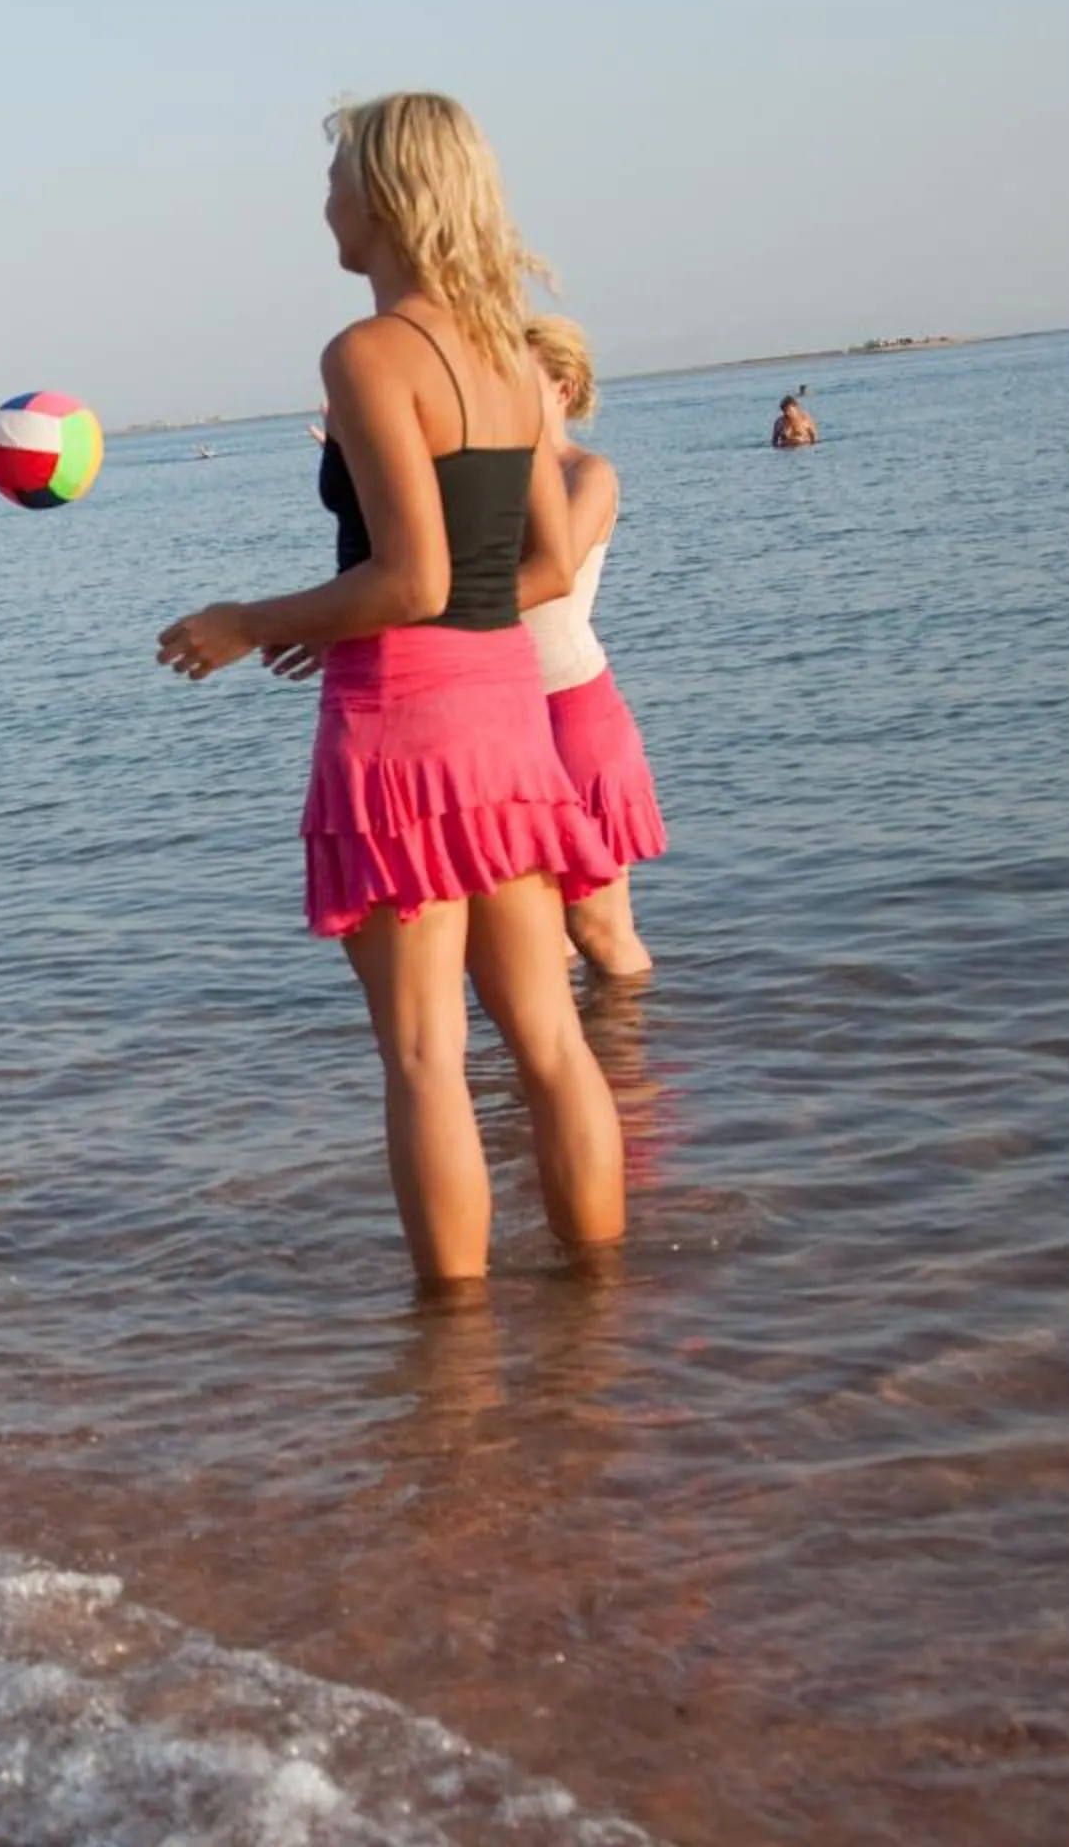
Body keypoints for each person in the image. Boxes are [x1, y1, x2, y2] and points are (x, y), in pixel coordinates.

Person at [154, 92, 625, 1285]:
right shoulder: (514, 357)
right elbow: (546, 566)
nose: (326, 200)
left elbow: (408, 575)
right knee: (552, 1038)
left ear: (391, 196)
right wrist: (351, 620)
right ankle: (600, 1319)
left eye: (340, 177)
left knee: (424, 1053)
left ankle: (454, 1357)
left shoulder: (368, 355)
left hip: (402, 731)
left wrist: (248, 624)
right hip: (509, 718)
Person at [522, 314, 666, 976]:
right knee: (532, 948)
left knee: (601, 934)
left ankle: (633, 1071)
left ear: (564, 386)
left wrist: (416, 607)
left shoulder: (589, 473)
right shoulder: (475, 482)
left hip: (573, 713)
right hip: (500, 720)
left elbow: (552, 574)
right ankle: (559, 1079)